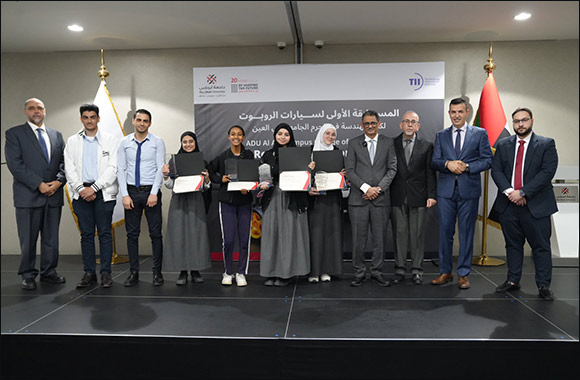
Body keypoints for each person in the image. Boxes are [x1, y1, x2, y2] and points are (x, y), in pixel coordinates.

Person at [491, 107, 558, 301]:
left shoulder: (546, 144)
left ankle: (543, 285)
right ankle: (513, 280)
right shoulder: (503, 144)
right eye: (517, 121)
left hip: (536, 205)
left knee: (541, 246)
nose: (520, 124)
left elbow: (547, 172)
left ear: (532, 121)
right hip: (508, 204)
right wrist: (510, 192)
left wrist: (524, 192)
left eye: (524, 120)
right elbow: (496, 170)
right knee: (512, 245)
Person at [5, 98, 67, 290]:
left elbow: (66, 163)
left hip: (53, 194)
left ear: (45, 111)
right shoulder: (14, 134)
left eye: (39, 108)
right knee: (28, 239)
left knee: (51, 238)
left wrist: (58, 181)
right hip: (28, 195)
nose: (36, 111)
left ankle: (49, 272)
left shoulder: (56, 135)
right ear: (26, 112)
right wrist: (39, 184)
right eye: (32, 108)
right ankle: (28, 274)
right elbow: (16, 165)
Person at [431, 97, 492, 289]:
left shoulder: (480, 133)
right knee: (445, 233)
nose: (456, 115)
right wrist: (447, 164)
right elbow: (435, 161)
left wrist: (467, 167)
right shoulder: (441, 135)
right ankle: (445, 271)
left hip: (469, 191)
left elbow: (487, 160)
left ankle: (463, 274)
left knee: (466, 233)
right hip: (446, 192)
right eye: (453, 112)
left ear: (467, 113)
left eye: (460, 111)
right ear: (449, 113)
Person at [64, 104, 119, 288]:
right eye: (86, 117)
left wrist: (94, 188)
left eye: (92, 117)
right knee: (86, 235)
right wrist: (82, 189)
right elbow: (69, 169)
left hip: (103, 192)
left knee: (104, 234)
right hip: (81, 194)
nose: (89, 120)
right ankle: (89, 273)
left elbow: (113, 168)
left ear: (98, 118)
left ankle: (105, 274)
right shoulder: (72, 141)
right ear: (81, 119)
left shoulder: (110, 140)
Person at [345, 110, 397, 287]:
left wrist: (379, 189)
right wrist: (367, 188)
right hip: (358, 200)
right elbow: (350, 171)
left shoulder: (388, 143)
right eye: (366, 123)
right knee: (358, 239)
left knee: (379, 239)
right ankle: (359, 272)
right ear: (361, 125)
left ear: (379, 124)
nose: (370, 126)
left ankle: (377, 271)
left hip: (381, 200)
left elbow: (392, 169)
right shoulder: (353, 143)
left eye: (373, 123)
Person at [117, 109, 165, 287]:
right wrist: (124, 194)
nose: (142, 123)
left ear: (150, 123)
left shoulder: (157, 142)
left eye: (145, 121)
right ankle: (133, 273)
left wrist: (154, 192)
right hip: (131, 192)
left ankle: (157, 273)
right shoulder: (124, 142)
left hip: (150, 191)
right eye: (139, 120)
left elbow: (160, 168)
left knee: (156, 234)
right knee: (132, 235)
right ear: (133, 121)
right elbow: (120, 169)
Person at [259, 123, 310, 287]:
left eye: (286, 134)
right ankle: (271, 272)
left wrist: (309, 170)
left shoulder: (298, 154)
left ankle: (285, 273)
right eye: (279, 133)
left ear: (291, 137)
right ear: (275, 135)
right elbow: (263, 175)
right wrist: (263, 183)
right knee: (272, 235)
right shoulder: (267, 155)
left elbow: (305, 177)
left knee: (289, 236)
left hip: (292, 199)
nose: (282, 137)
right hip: (273, 198)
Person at [390, 111, 437, 285]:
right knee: (399, 234)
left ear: (418, 126)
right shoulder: (391, 144)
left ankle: (417, 269)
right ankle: (400, 269)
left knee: (417, 235)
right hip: (397, 196)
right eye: (406, 121)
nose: (410, 125)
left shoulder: (427, 145)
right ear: (401, 125)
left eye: (413, 122)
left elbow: (430, 172)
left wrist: (432, 195)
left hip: (420, 196)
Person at [162, 131, 212, 285]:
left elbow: (205, 187)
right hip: (179, 201)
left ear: (195, 143)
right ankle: (182, 271)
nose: (188, 144)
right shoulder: (174, 161)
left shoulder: (201, 161)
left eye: (191, 141)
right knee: (179, 235)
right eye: (185, 142)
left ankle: (195, 270)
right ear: (181, 144)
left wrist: (208, 179)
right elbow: (170, 185)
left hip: (196, 201)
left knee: (196, 235)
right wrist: (165, 176)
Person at [209, 125, 254, 287]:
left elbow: (253, 176)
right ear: (228, 137)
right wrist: (220, 179)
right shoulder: (222, 157)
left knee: (244, 239)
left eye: (240, 134)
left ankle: (241, 272)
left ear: (243, 137)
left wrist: (247, 187)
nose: (236, 137)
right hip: (227, 201)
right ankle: (228, 272)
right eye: (233, 134)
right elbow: (210, 171)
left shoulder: (249, 155)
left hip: (244, 201)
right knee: (228, 240)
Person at [307, 123, 344, 283]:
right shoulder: (311, 151)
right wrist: (309, 170)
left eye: (333, 134)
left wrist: (342, 174)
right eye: (327, 133)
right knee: (316, 234)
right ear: (321, 134)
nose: (330, 137)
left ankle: (327, 270)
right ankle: (314, 271)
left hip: (332, 198)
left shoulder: (337, 152)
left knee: (331, 233)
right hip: (316, 198)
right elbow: (302, 175)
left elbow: (343, 175)